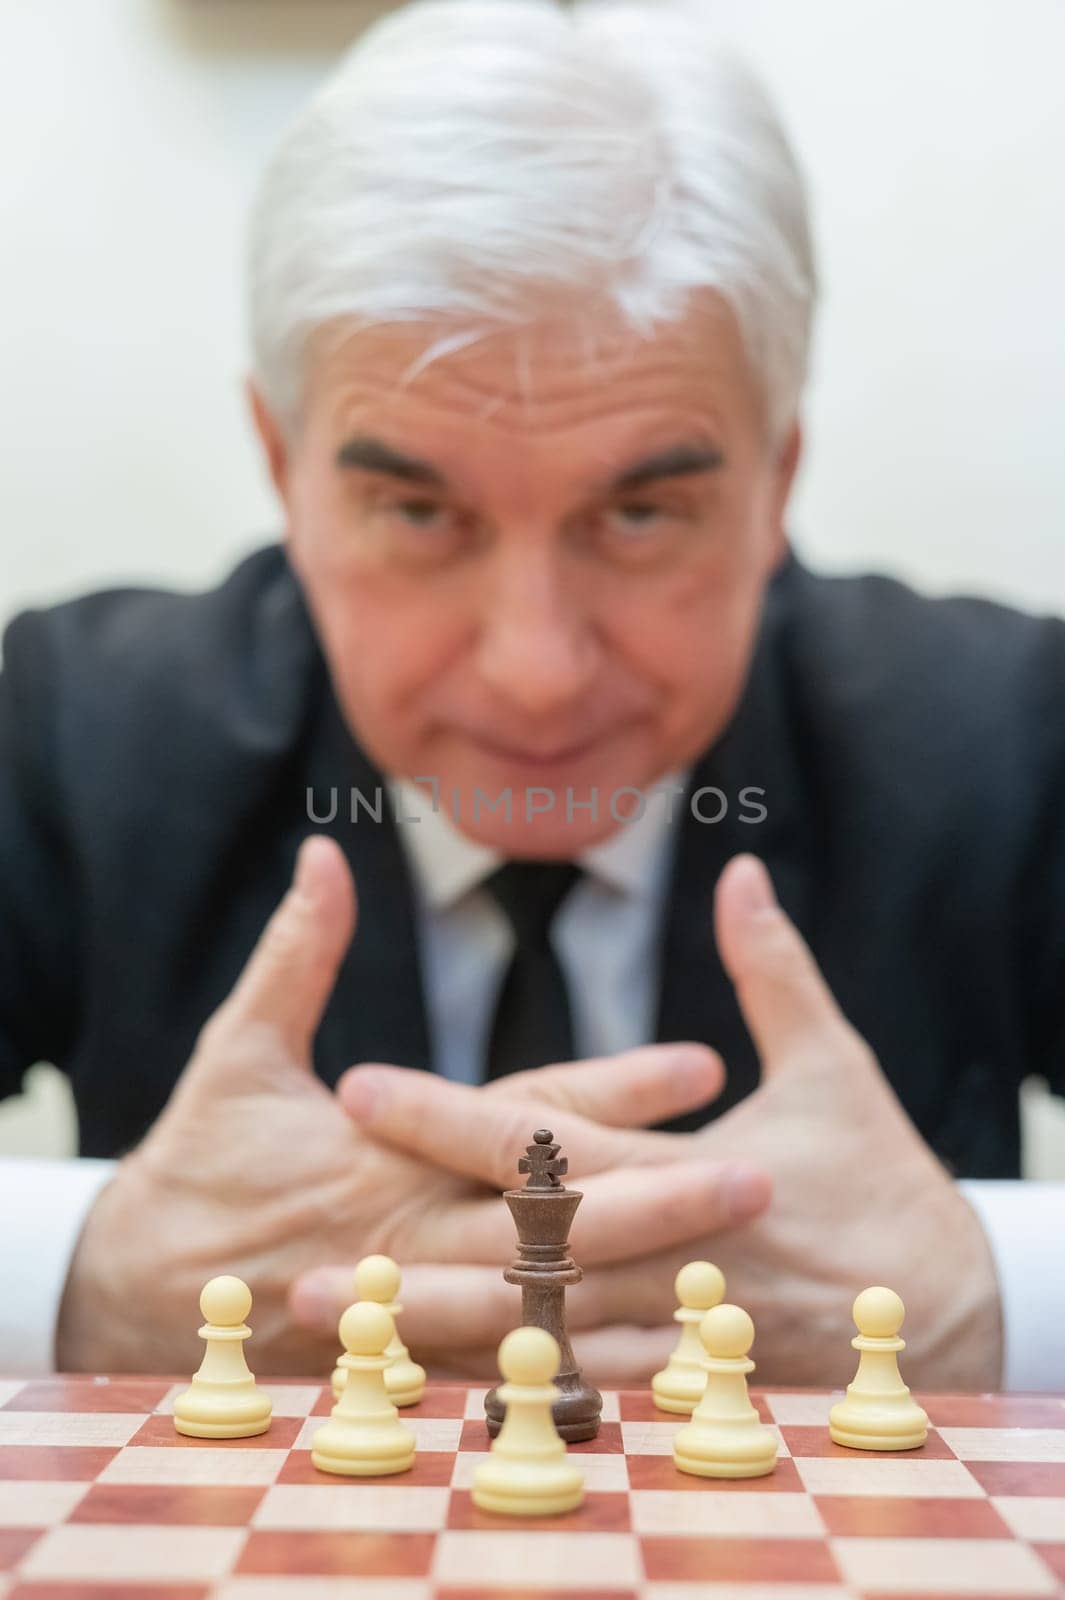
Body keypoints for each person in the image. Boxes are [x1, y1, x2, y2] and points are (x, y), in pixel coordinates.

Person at [1, 0, 1062, 1390]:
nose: (535, 666)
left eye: (638, 515)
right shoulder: (78, 730)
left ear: (776, 484)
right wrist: (82, 1273)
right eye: (417, 511)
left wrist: (987, 1293)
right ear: (281, 468)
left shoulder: (1001, 735)